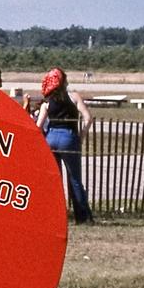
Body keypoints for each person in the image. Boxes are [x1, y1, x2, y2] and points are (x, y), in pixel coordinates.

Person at [33, 67, 94, 224]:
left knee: (55, 179)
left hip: (51, 138)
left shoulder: (47, 103)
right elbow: (88, 118)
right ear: (63, 82)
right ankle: (82, 216)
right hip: (69, 136)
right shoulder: (74, 97)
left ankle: (58, 216)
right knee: (74, 179)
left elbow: (38, 126)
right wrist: (81, 136)